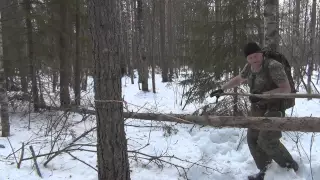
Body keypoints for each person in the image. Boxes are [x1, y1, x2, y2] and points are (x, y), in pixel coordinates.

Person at [210, 42, 299, 180]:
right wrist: (222, 88)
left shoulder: (273, 66)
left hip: (274, 107)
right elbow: (239, 79)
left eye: (256, 56)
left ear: (261, 54)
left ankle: (290, 168)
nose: (254, 60)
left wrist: (262, 96)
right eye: (250, 58)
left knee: (266, 140)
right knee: (253, 139)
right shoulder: (250, 67)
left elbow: (285, 89)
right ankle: (265, 171)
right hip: (257, 108)